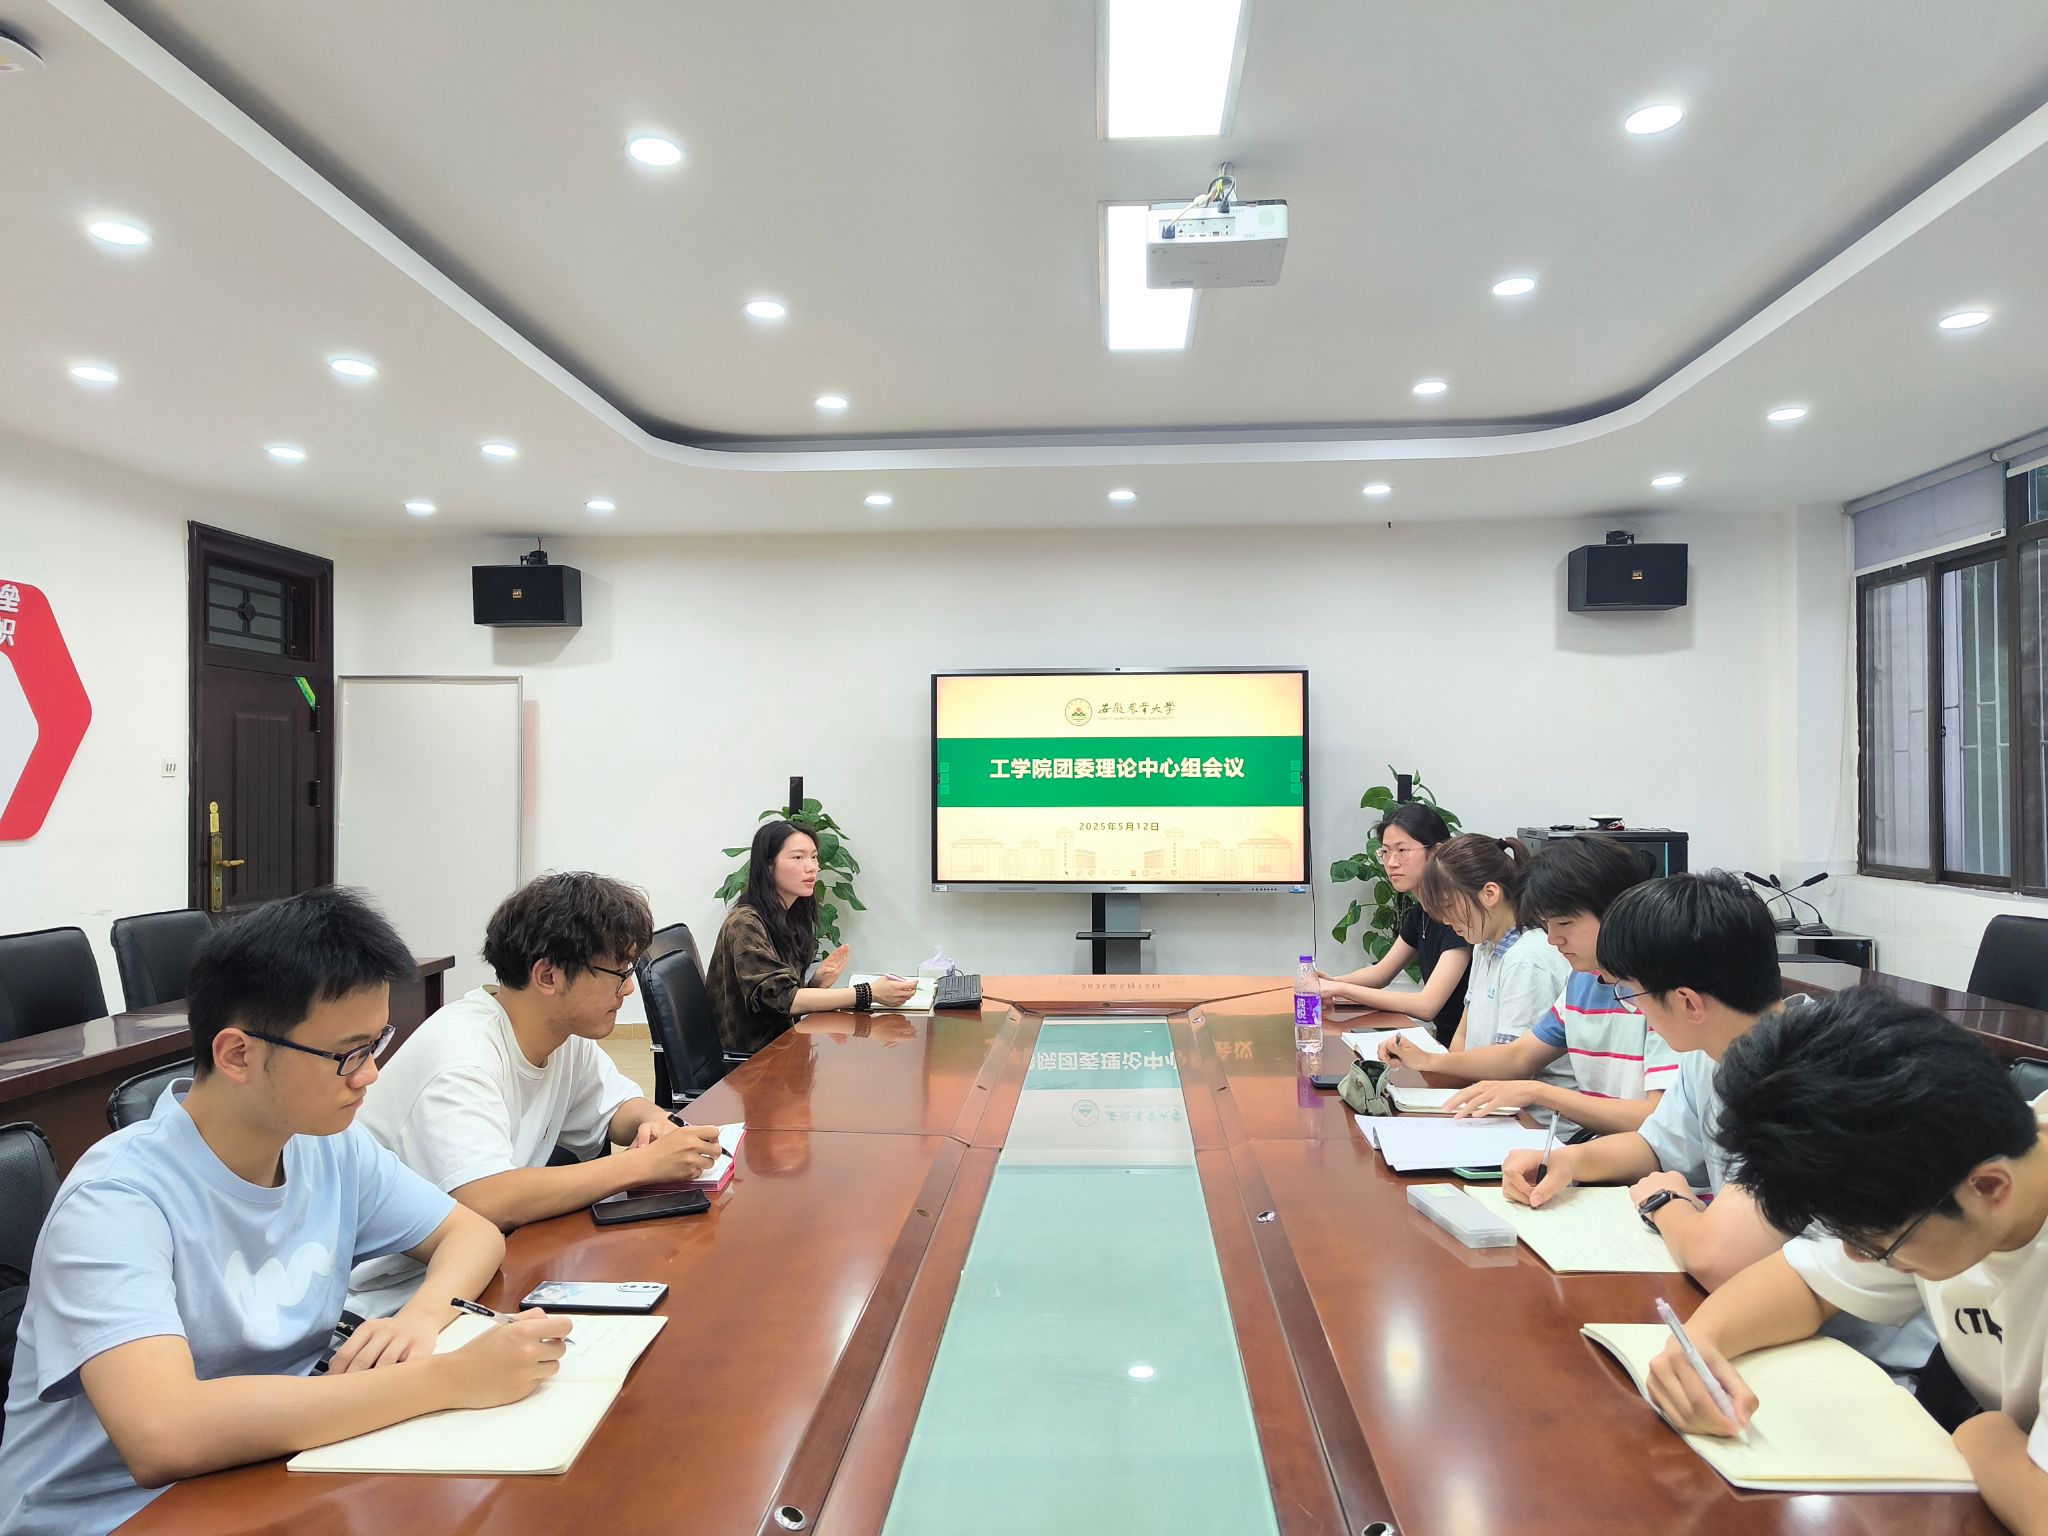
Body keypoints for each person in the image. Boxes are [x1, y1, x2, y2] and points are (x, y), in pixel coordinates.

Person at [0, 889, 566, 1536]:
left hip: (273, 1470)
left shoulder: (325, 1145)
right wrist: (447, 1379)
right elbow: (164, 1434)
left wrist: (421, 1318)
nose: (369, 1076)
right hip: (119, 1514)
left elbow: (470, 1233)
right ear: (237, 1054)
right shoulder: (116, 1201)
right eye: (348, 1054)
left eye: (376, 1044)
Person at [1644, 990, 2047, 1535]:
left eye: (1880, 1246)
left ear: (1990, 1188)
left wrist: (1987, 1437)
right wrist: (1697, 1346)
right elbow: (1805, 1283)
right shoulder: (1941, 1167)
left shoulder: (1946, 1177)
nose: (1859, 1258)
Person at [1500, 873, 1934, 1374]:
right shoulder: (1711, 1050)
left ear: (1688, 1002)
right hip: (1780, 1327)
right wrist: (1569, 1160)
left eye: (1632, 995)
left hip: (1865, 1360)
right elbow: (1655, 1147)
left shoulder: (1810, 1076)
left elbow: (1716, 1259)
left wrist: (1665, 1202)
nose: (1633, 1008)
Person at [349, 872, 723, 1314]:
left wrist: (654, 1123)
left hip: (487, 1266)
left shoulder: (561, 1034)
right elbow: (488, 1198)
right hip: (395, 1301)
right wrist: (640, 1165)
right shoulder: (462, 1056)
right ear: (547, 975)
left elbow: (617, 1107)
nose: (627, 988)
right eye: (618, 973)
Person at [1422, 835, 1678, 1135]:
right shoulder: (1582, 980)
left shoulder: (1663, 991)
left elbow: (1659, 1121)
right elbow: (1519, 1056)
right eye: (1547, 924)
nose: (1553, 939)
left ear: (1617, 911)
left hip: (1637, 1156)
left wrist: (1539, 1093)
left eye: (1565, 923)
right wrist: (1428, 1060)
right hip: (1603, 1146)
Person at [1379, 835, 1571, 1095]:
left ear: (1490, 894)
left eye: (1449, 906)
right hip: (1483, 1096)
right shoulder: (1484, 945)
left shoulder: (1528, 957)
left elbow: (1513, 1067)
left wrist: (1429, 1061)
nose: (1446, 920)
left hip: (1528, 1113)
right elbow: (1462, 1039)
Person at [706, 820, 913, 1054]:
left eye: (814, 857)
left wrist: (815, 984)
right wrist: (868, 993)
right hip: (753, 1061)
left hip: (784, 1047)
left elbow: (777, 997)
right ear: (768, 865)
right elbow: (780, 999)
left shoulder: (789, 916)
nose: (812, 867)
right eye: (798, 857)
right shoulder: (745, 923)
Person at [1313, 803, 1473, 1043]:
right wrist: (1329, 984)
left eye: (1402, 850)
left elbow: (1427, 1005)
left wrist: (1340, 989)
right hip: (1444, 1046)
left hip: (1464, 1051)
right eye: (1385, 852)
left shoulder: (1459, 917)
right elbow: (1381, 973)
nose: (1391, 863)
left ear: (1437, 852)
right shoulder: (1421, 912)